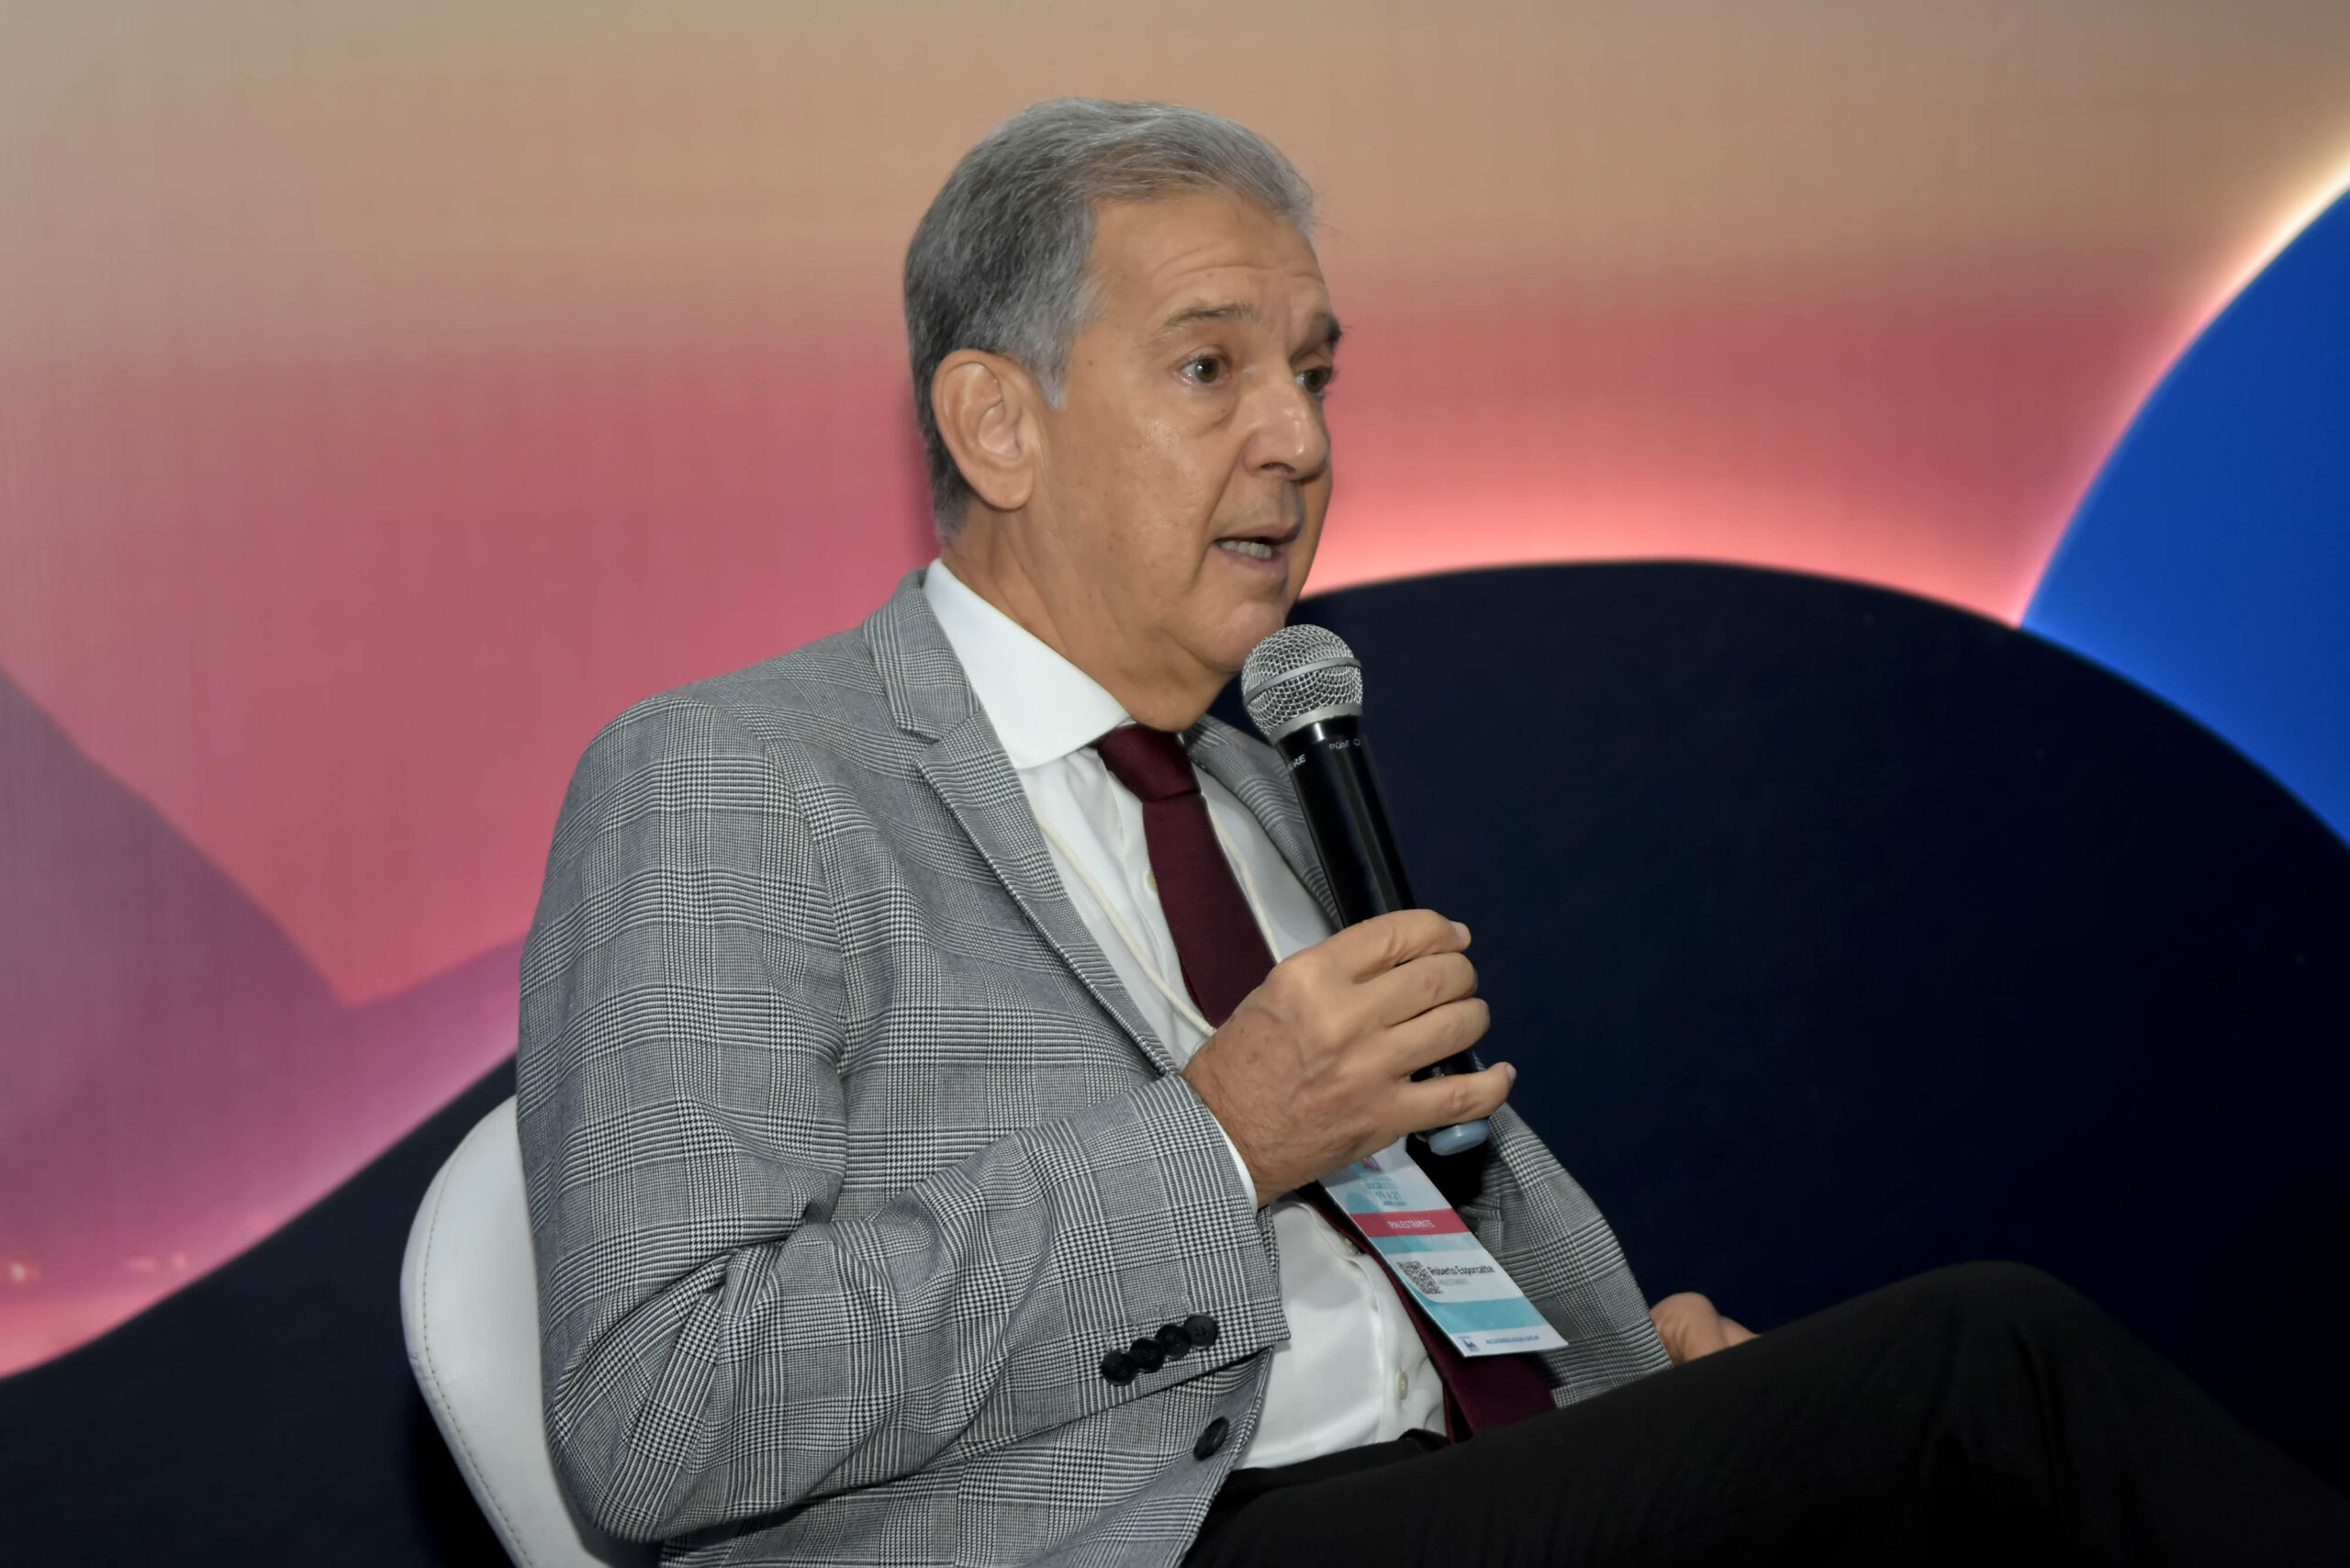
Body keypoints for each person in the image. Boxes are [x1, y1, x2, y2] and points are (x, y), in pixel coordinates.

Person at [516, 98, 2348, 1566]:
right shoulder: (735, 777)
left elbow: (1408, 1245)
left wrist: (1647, 1409)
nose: (1298, 441)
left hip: (1436, 1491)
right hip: (1156, 1534)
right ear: (997, 422)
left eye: (1314, 373)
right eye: (1211, 370)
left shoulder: (1256, 780)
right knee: (1982, 1370)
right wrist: (1216, 1141)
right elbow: (661, 1411)